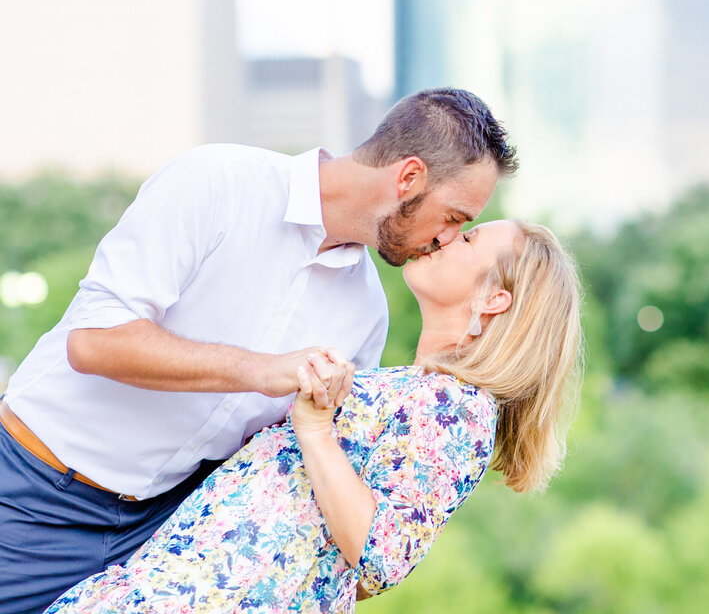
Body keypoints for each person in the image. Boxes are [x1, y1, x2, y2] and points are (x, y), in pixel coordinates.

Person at [0, 88, 519, 614]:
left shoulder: (366, 315)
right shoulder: (217, 183)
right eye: (453, 218)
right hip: (34, 496)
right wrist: (260, 370)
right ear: (408, 178)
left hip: (160, 544)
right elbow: (93, 341)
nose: (447, 240)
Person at [45, 219, 583, 612]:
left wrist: (316, 429)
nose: (445, 236)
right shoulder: (416, 390)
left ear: (495, 300)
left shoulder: (457, 406)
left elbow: (381, 557)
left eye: (467, 238)